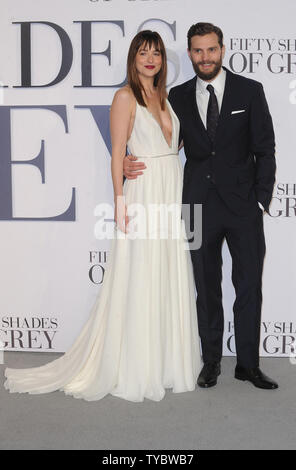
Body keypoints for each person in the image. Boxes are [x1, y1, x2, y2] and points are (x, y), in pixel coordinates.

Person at [3, 30, 202, 402]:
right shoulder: (124, 97)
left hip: (171, 189)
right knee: (141, 270)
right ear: (133, 58)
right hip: (142, 194)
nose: (150, 59)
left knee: (167, 269)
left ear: (163, 61)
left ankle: (164, 360)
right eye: (143, 52)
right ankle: (136, 363)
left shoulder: (168, 97)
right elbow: (116, 152)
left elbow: (172, 143)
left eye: (156, 53)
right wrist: (119, 198)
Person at [123, 23, 278, 390]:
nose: (205, 57)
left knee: (249, 285)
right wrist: (129, 160)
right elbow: (160, 142)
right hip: (195, 205)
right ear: (190, 53)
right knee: (205, 287)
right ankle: (210, 362)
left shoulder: (250, 91)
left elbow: (265, 148)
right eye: (197, 51)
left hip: (243, 206)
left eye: (211, 50)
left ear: (222, 50)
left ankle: (248, 364)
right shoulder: (174, 96)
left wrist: (261, 197)